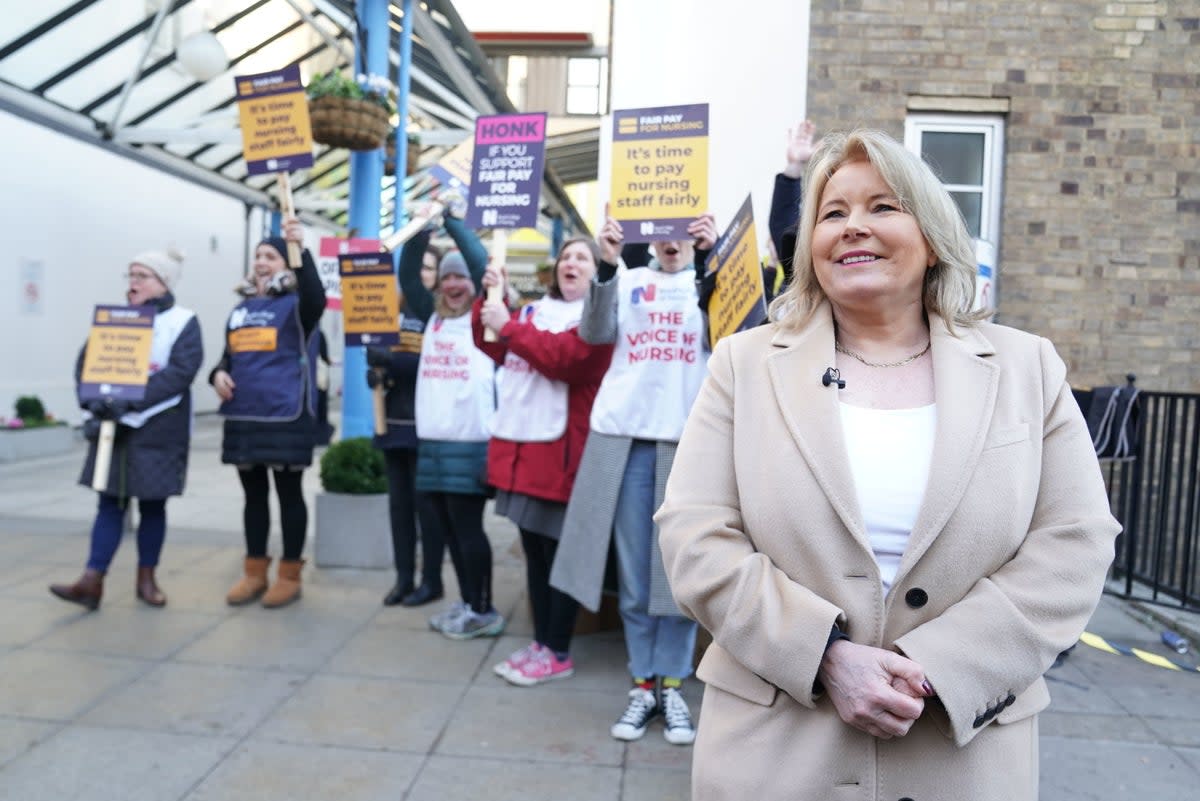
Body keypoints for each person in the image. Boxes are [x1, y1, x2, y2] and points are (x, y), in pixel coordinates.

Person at [654, 129, 1121, 799]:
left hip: (961, 752)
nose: (853, 228)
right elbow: (694, 535)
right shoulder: (744, 365)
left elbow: (1076, 541)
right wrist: (823, 657)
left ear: (931, 236)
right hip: (775, 750)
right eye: (832, 212)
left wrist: (935, 665)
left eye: (882, 206)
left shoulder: (1027, 367)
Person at [551, 210, 717, 745]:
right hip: (625, 441)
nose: (671, 241)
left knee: (678, 577)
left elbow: (735, 334)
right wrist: (605, 261)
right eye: (663, 231)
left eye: (682, 232)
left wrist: (715, 259)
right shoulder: (629, 280)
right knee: (634, 577)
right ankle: (643, 682)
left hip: (687, 445)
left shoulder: (707, 281)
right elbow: (594, 331)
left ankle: (673, 684)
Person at [472, 238, 614, 686]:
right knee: (534, 553)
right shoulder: (534, 312)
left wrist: (509, 327)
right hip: (524, 451)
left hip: (562, 455)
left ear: (596, 273)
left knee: (559, 559)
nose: (571, 263)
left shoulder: (598, 318)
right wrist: (489, 301)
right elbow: (493, 345)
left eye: (582, 258)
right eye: (566, 257)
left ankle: (557, 650)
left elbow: (568, 360)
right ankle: (541, 643)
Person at [50, 250, 203, 610]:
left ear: (163, 283)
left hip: (159, 428)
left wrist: (131, 400)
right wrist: (92, 400)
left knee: (152, 505)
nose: (133, 283)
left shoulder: (184, 321)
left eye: (142, 276)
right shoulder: (116, 320)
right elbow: (87, 363)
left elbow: (181, 373)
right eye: (130, 275)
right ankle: (92, 580)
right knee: (109, 503)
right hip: (114, 428)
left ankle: (146, 579)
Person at [397, 202, 502, 640]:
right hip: (434, 444)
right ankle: (467, 602)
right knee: (446, 531)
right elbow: (406, 274)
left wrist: (453, 222)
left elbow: (481, 263)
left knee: (468, 529)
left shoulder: (486, 315)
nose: (455, 283)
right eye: (448, 277)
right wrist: (422, 226)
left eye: (461, 277)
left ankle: (484, 609)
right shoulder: (433, 317)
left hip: (471, 442)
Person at [210, 217, 325, 609]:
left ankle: (289, 574)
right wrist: (218, 373)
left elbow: (317, 297)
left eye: (271, 256)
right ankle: (254, 572)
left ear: (286, 264)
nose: (261, 262)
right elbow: (228, 356)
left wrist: (302, 251)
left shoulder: (299, 307)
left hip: (286, 415)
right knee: (253, 496)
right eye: (258, 255)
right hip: (244, 414)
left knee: (289, 495)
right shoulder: (240, 308)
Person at [367, 242, 446, 607]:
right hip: (392, 421)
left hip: (426, 424)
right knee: (398, 507)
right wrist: (376, 371)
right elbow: (381, 361)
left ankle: (431, 579)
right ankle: (402, 578)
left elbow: (431, 365)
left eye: (428, 268)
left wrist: (392, 363)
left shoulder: (438, 314)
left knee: (426, 508)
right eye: (417, 268)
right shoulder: (388, 310)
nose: (420, 275)